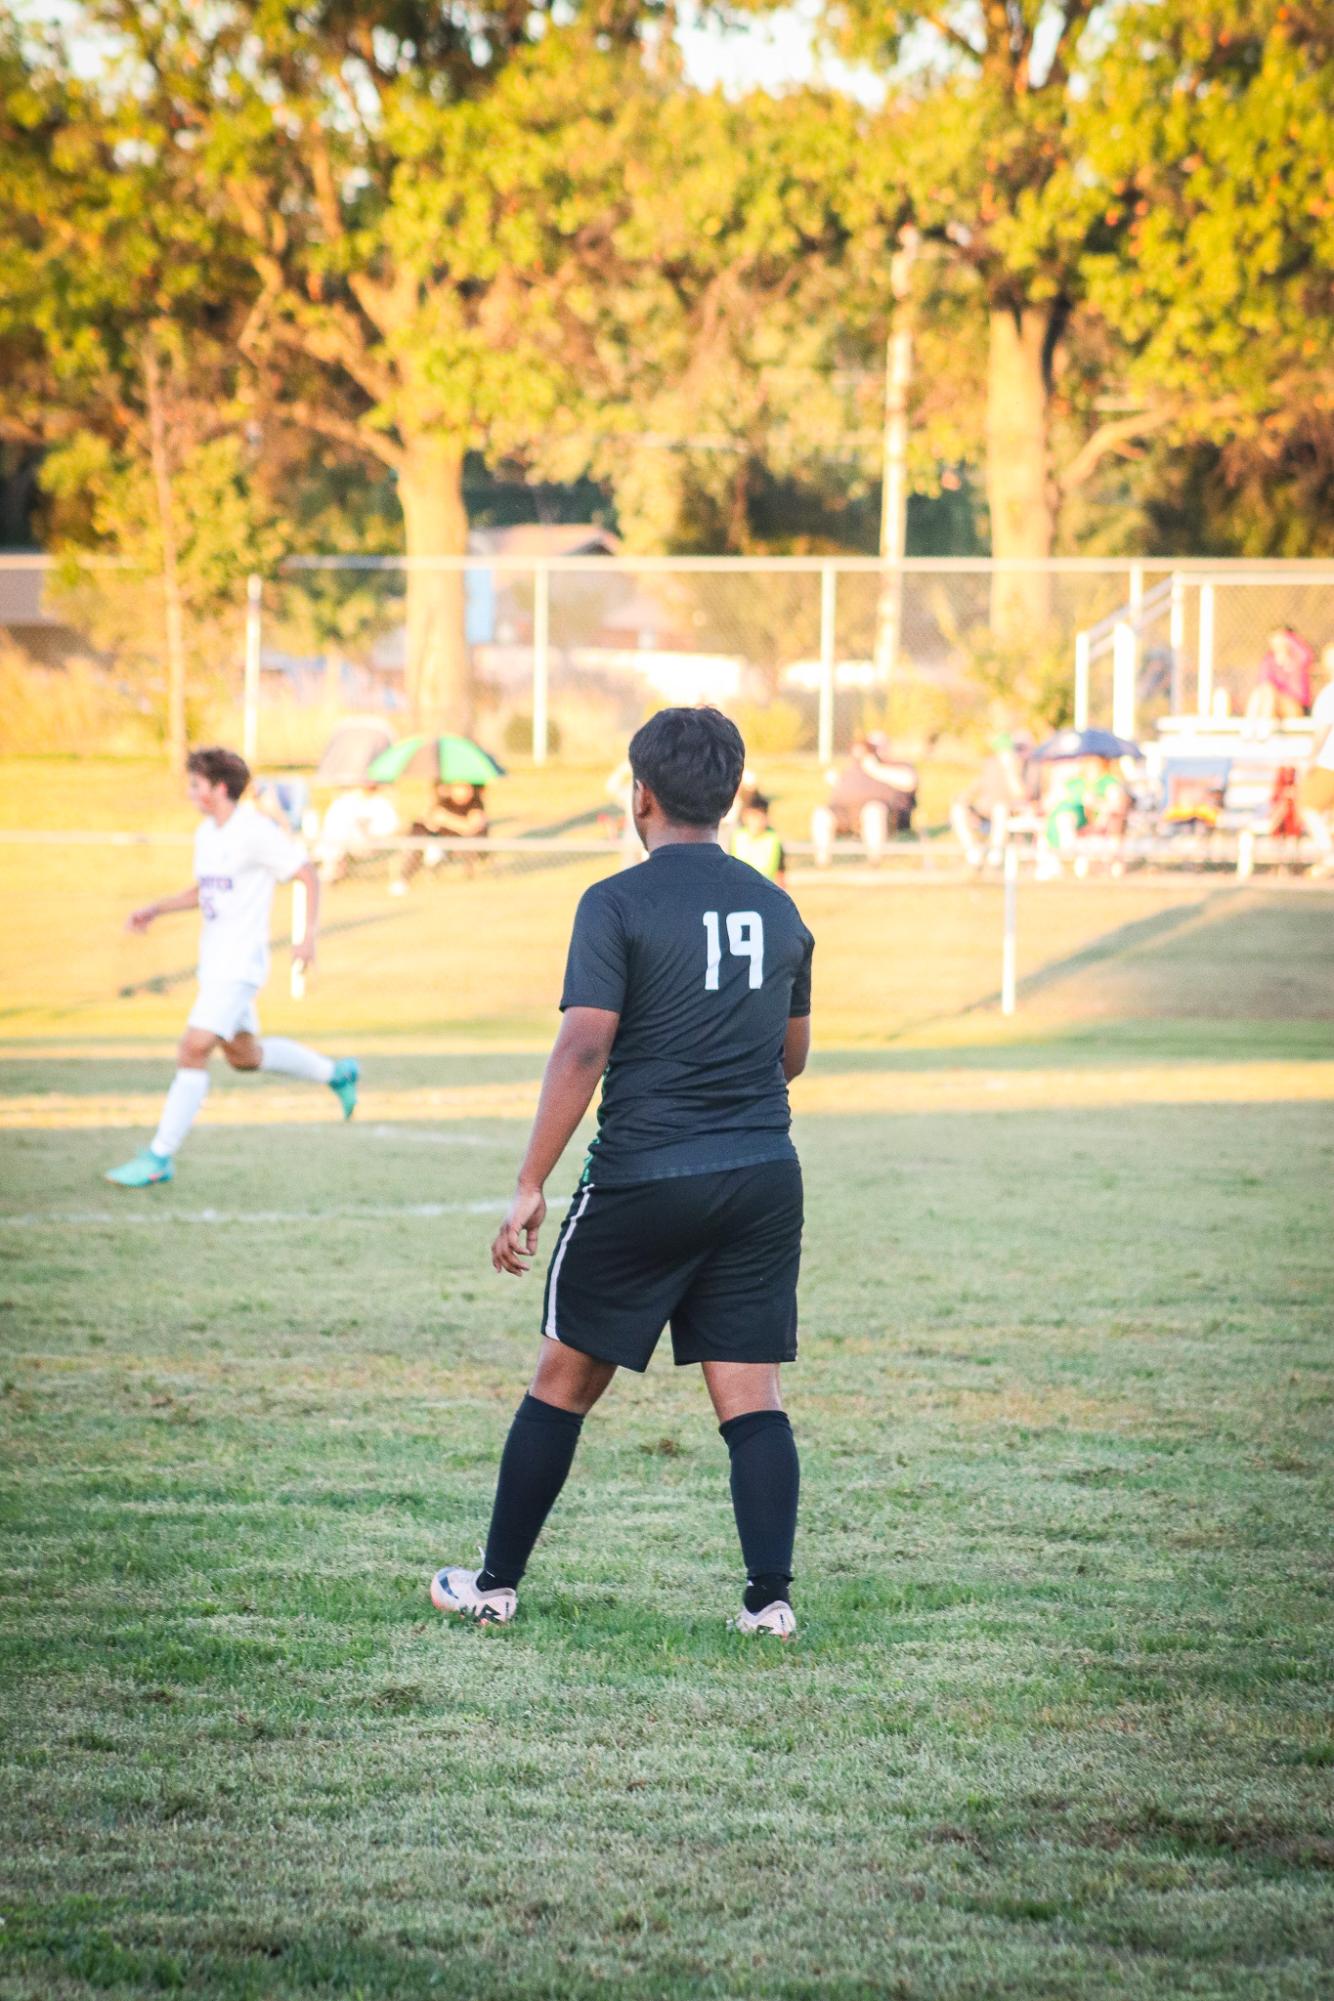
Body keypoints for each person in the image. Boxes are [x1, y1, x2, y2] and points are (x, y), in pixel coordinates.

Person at [431, 707, 814, 1638]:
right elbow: (791, 1056)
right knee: (752, 1396)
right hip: (764, 1171)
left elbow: (583, 1045)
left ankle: (492, 1584)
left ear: (639, 794)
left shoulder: (615, 901)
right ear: (730, 794)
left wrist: (530, 1180)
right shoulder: (778, 905)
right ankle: (768, 1601)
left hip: (647, 1174)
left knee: (561, 1380)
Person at [105, 746, 358, 1188]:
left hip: (239, 966)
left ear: (220, 788)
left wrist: (307, 937)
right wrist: (156, 909)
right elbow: (205, 890)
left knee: (192, 1048)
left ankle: (159, 1157)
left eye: (195, 785)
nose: (189, 793)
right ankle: (335, 1074)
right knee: (245, 1056)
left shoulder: (255, 831)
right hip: (214, 964)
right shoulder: (208, 834)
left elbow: (307, 874)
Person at [812, 734, 917, 865]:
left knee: (873, 810)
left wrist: (876, 769)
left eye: (876, 748)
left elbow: (909, 782)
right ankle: (822, 863)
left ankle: (874, 861)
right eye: (871, 748)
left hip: (880, 814)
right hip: (845, 814)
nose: (873, 752)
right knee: (822, 813)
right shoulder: (854, 766)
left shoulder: (894, 766)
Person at [950, 733, 1031, 868]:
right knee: (958, 809)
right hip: (985, 808)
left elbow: (1020, 794)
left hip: (1007, 810)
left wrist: (1010, 770)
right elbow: (977, 785)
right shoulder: (990, 764)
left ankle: (995, 854)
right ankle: (972, 852)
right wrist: (963, 798)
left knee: (1000, 809)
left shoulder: (1020, 766)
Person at [390, 781, 489, 893]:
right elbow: (431, 822)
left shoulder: (475, 804)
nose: (465, 791)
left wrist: (446, 819)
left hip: (459, 846)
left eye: (467, 788)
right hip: (437, 842)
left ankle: (410, 875)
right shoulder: (444, 803)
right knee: (418, 833)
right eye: (460, 787)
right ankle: (403, 879)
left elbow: (471, 828)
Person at [315, 781, 399, 883]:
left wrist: (366, 832)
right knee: (339, 830)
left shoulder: (382, 804)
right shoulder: (345, 802)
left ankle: (330, 868)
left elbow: (386, 832)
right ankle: (330, 867)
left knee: (342, 832)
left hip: (372, 845)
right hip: (345, 843)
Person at [1298, 645, 1334, 874]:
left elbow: (1323, 730)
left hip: (1329, 762)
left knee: (1307, 806)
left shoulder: (1330, 693)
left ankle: (1329, 855)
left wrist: (1310, 759)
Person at [1245, 626, 1315, 729]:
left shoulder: (1298, 658)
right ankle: (1250, 726)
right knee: (1259, 692)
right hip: (1274, 703)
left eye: (1281, 638)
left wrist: (1289, 637)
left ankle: (1264, 726)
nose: (1278, 642)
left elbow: (1306, 654)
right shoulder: (1268, 660)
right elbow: (1263, 682)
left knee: (1269, 692)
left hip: (1295, 705)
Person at [730, 793, 786, 886]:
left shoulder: (773, 839)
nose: (757, 821)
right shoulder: (738, 837)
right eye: (754, 816)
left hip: (765, 888)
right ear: (745, 816)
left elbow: (780, 872)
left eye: (760, 817)